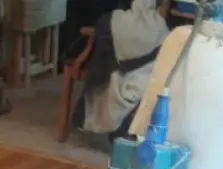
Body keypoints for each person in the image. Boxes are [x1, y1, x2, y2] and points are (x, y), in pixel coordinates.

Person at [70, 0, 170, 149]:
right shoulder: (163, 29)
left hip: (111, 71)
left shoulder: (110, 21)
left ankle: (119, 125)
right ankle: (126, 126)